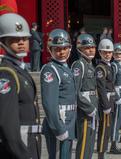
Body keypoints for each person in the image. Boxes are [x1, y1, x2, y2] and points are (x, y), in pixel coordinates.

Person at [0, 13, 41, 159]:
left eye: (24, 38)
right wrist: (22, 154)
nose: (21, 42)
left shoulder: (20, 69)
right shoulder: (6, 74)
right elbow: (7, 124)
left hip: (29, 143)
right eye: (15, 39)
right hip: (18, 149)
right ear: (3, 42)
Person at [41, 29, 77, 159]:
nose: (61, 52)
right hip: (59, 123)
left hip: (68, 121)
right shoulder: (51, 69)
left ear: (70, 48)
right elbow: (49, 104)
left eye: (64, 48)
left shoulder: (66, 68)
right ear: (50, 50)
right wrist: (58, 128)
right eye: (57, 49)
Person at [72, 34, 98, 159]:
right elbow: (76, 92)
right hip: (85, 111)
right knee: (84, 144)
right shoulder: (79, 65)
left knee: (90, 143)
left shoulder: (90, 65)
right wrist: (89, 108)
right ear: (80, 49)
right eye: (87, 48)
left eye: (93, 47)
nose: (91, 50)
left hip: (92, 108)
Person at [96, 39, 115, 159]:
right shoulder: (100, 68)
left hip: (111, 101)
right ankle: (101, 155)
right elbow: (101, 88)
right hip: (106, 103)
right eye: (105, 52)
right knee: (103, 131)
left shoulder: (109, 66)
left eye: (109, 52)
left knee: (108, 130)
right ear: (100, 53)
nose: (107, 54)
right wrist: (106, 105)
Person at [109, 43, 121, 154]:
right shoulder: (114, 66)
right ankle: (113, 145)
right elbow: (112, 83)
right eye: (116, 54)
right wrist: (116, 96)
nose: (119, 55)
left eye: (120, 53)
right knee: (115, 122)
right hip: (118, 95)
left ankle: (116, 142)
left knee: (119, 119)